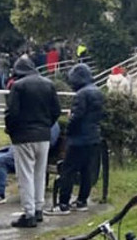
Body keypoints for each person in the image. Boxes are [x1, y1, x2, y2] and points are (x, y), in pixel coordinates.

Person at [5, 56, 62, 228]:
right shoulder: (48, 84)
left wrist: (11, 130)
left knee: (25, 175)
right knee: (39, 173)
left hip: (23, 136)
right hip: (43, 135)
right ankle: (38, 209)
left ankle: (28, 214)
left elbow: (12, 113)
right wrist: (46, 125)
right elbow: (56, 111)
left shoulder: (18, 86)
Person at [46, 63, 104, 216]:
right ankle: (82, 201)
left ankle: (63, 204)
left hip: (79, 139)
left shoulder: (81, 94)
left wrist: (69, 130)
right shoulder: (98, 92)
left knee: (68, 171)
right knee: (86, 171)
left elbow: (76, 117)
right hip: (93, 137)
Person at [0, 122, 60, 207]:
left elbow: (49, 143)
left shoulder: (52, 125)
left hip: (27, 153)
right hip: (14, 148)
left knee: (0, 161)